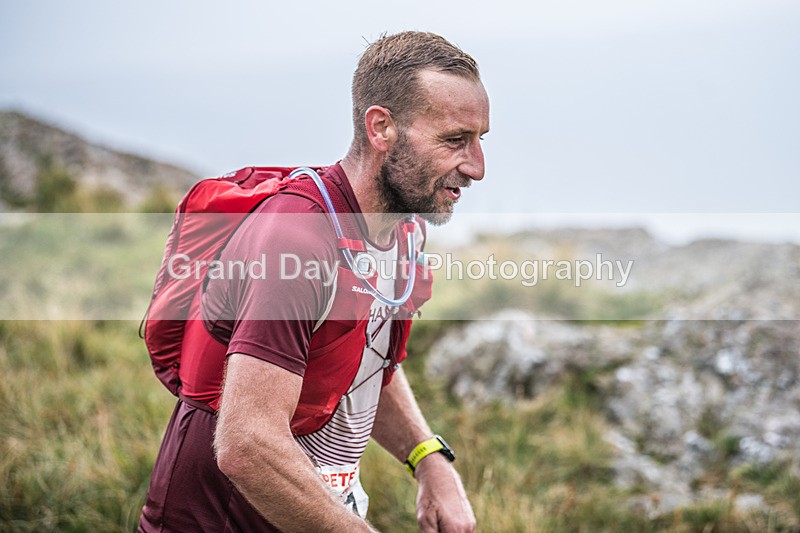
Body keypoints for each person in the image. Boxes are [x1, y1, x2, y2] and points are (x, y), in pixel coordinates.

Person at [139, 30, 489, 532]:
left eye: (480, 139)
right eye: (455, 140)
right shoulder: (299, 236)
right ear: (381, 128)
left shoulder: (404, 228)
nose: (477, 166)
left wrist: (428, 458)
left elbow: (361, 357)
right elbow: (247, 445)